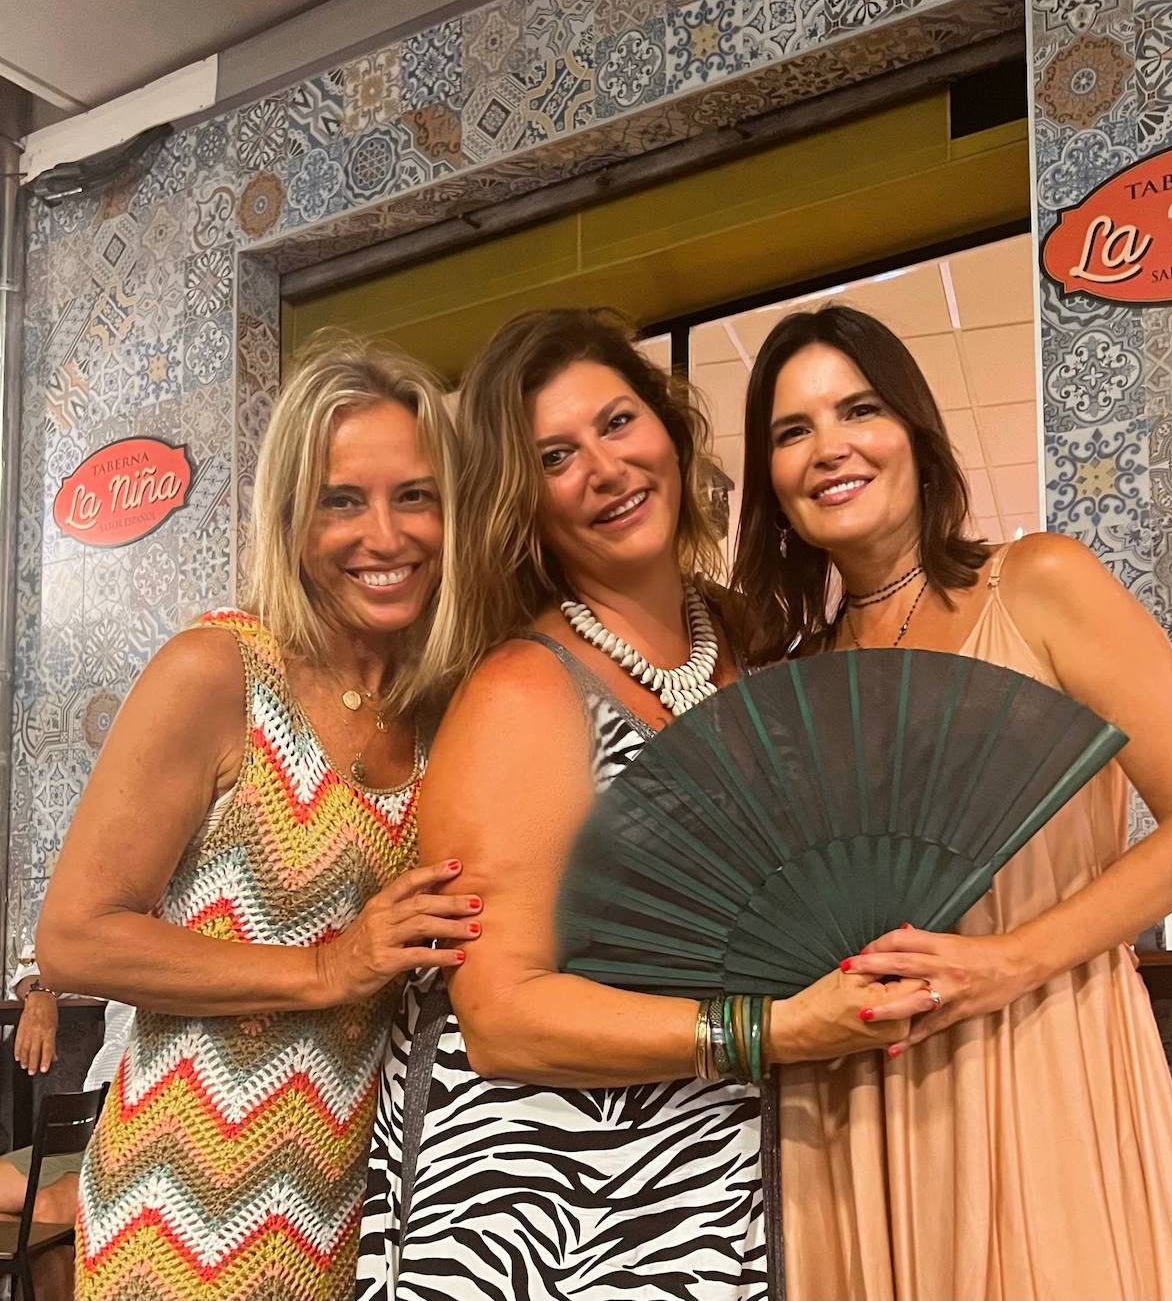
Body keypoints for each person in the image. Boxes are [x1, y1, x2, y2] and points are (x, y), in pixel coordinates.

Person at [355, 308, 934, 1301]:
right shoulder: (523, 691)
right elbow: (502, 1020)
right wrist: (769, 1032)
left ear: (667, 429)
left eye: (617, 424)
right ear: (520, 502)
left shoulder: (747, 645)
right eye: (554, 457)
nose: (604, 469)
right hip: (540, 1216)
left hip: (715, 1191)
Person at [730, 303, 1172, 1301]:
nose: (828, 447)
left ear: (914, 434)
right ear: (771, 483)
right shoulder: (788, 677)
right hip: (852, 1094)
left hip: (1040, 1045)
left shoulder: (1039, 583)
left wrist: (1004, 962)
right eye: (791, 432)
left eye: (857, 409)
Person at [36, 331, 481, 1301]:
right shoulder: (222, 673)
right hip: (181, 1218)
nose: (385, 535)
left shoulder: (451, 708)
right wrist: (326, 968)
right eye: (341, 500)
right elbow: (72, 938)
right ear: (288, 515)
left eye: (414, 496)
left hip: (357, 1220)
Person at [1, 958, 133, 1301]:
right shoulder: (123, 931)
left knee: (44, 1213)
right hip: (93, 1119)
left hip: (144, 1126)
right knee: (27, 1219)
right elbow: (43, 962)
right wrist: (42, 993)